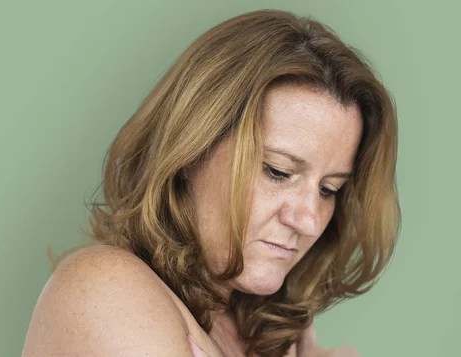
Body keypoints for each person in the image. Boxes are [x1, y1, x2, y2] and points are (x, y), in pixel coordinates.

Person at [21, 9, 400, 357]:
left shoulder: (267, 331)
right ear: (190, 151)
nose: (309, 221)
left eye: (328, 189)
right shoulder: (104, 289)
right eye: (278, 172)